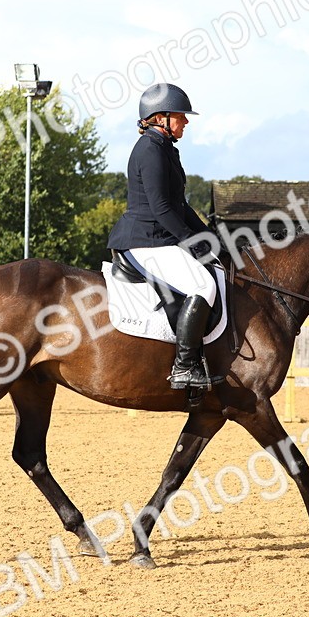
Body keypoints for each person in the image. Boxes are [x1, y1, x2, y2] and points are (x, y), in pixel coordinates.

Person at [107, 83, 223, 390]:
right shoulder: (149, 150)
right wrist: (191, 241)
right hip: (144, 239)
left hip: (157, 238)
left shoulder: (165, 149)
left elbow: (180, 206)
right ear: (161, 118)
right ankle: (185, 366)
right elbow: (160, 208)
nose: (186, 121)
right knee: (203, 285)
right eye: (181, 116)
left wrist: (211, 237)